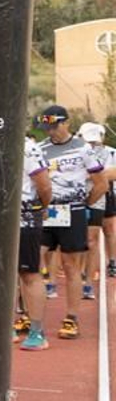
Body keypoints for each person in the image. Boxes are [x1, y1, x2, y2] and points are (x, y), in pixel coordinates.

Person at [38, 105, 105, 339]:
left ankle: (72, 317)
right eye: (47, 127)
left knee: (70, 266)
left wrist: (85, 204)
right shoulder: (40, 149)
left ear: (66, 123)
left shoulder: (83, 149)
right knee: (32, 263)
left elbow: (101, 183)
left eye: (54, 126)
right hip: (46, 212)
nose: (51, 131)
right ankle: (29, 315)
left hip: (72, 211)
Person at [17, 135, 53, 351]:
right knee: (2, 274)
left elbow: (45, 186)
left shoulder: (28, 147)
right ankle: (7, 327)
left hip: (25, 220)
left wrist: (41, 207)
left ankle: (37, 331)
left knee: (29, 273)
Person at [77, 122, 111, 291]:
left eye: (94, 141)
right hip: (72, 200)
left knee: (91, 241)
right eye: (88, 140)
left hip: (96, 199)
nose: (92, 144)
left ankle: (88, 283)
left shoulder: (106, 153)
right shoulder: (74, 151)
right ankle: (75, 278)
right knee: (74, 243)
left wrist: (89, 175)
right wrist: (94, 174)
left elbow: (110, 175)